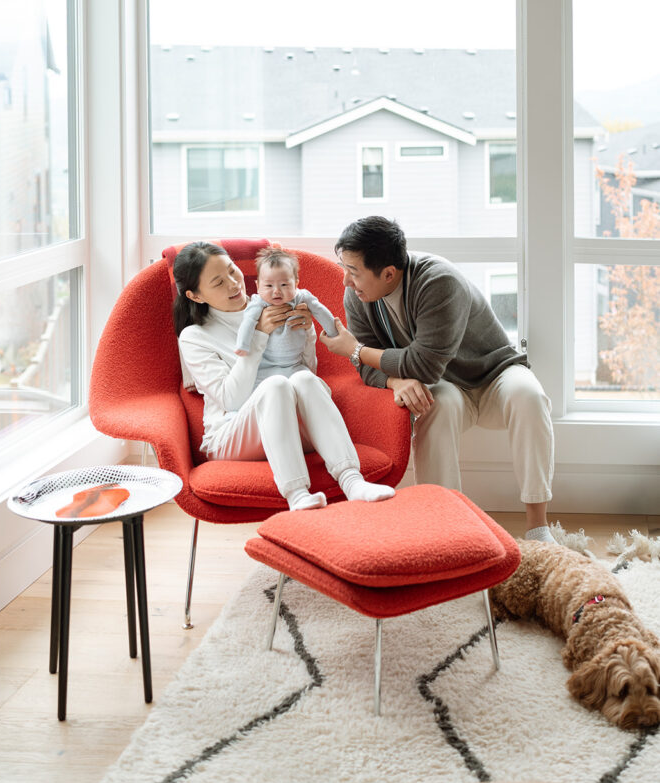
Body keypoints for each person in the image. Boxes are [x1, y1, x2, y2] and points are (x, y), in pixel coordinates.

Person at [319, 216, 556, 543]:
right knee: (432, 406)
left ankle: (538, 526)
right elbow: (368, 367)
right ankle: (444, 527)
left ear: (389, 273)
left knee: (529, 395)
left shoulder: (438, 281)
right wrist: (394, 382)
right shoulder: (358, 296)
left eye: (353, 271)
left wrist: (355, 349)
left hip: (492, 374)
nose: (346, 280)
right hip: (445, 385)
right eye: (343, 267)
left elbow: (423, 364)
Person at [173, 241, 395, 512]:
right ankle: (297, 494)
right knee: (275, 385)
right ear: (195, 295)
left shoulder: (278, 302)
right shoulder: (195, 337)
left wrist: (307, 333)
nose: (233, 284)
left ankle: (352, 481)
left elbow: (306, 375)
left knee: (301, 380)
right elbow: (231, 400)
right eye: (218, 282)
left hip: (292, 426)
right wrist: (259, 336)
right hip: (231, 435)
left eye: (232, 271)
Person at [235, 246, 338, 386]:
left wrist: (333, 332)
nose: (276, 291)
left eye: (284, 284)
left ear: (296, 283)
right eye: (269, 286)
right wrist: (243, 345)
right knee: (265, 388)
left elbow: (320, 310)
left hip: (295, 364)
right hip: (266, 366)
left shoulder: (301, 297)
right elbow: (248, 322)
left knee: (309, 383)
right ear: (258, 286)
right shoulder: (258, 302)